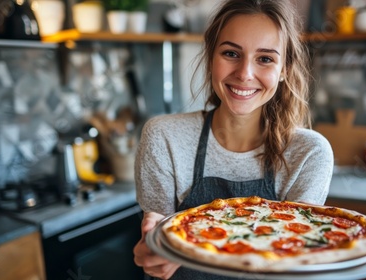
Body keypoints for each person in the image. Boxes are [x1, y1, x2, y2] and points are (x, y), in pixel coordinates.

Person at [133, 0, 334, 279]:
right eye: (230, 53)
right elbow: (158, 243)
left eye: (265, 58)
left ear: (285, 69)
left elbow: (296, 254)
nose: (244, 74)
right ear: (211, 56)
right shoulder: (164, 137)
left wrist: (353, 245)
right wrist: (154, 252)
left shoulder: (309, 152)